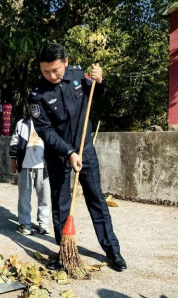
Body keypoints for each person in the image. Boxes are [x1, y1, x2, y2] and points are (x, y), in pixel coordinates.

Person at [29, 42, 126, 272]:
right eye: (45, 71)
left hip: (85, 149)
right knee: (61, 205)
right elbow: (45, 131)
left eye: (56, 70)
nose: (51, 75)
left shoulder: (78, 75)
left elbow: (98, 94)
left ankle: (113, 250)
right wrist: (68, 152)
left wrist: (101, 81)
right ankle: (65, 252)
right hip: (58, 154)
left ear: (66, 62)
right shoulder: (37, 94)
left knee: (96, 199)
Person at [10, 112, 51, 235]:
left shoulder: (48, 122)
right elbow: (14, 142)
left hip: (43, 166)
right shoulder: (22, 123)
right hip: (25, 165)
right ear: (29, 106)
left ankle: (43, 223)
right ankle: (24, 223)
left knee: (45, 196)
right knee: (24, 196)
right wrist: (13, 160)